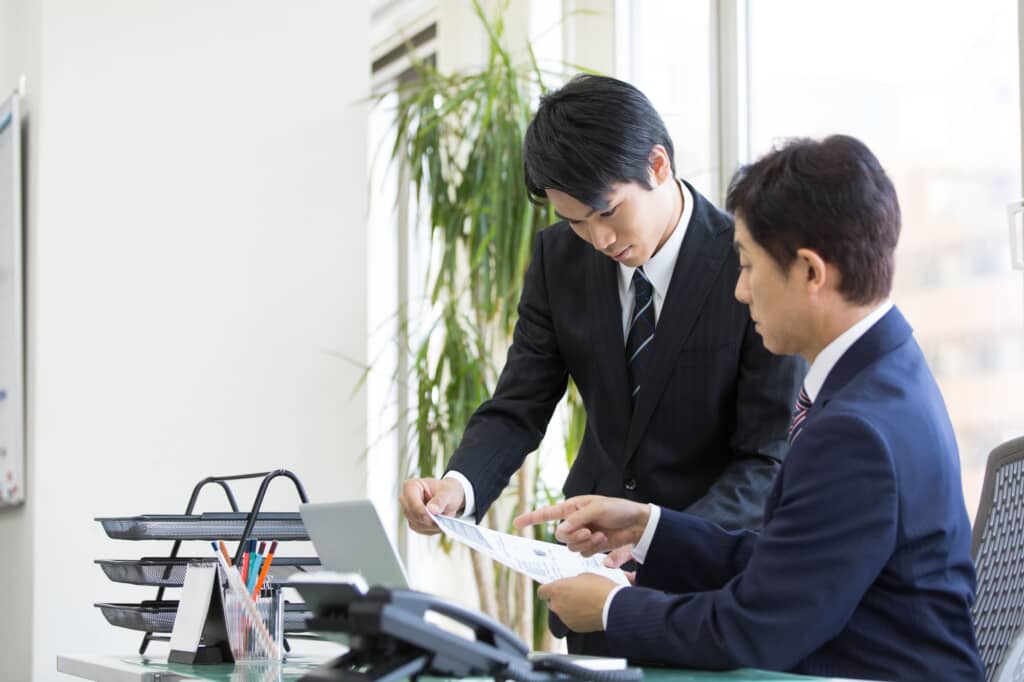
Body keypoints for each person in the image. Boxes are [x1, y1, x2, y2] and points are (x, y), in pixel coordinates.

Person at [516, 135, 985, 681]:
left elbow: (754, 629)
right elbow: (788, 568)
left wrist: (610, 609)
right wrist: (647, 526)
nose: (740, 291)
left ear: (810, 273)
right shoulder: (886, 372)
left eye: (746, 265)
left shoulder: (855, 431)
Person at [399, 74, 805, 653]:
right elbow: (519, 405)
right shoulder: (557, 259)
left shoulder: (746, 265)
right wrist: (456, 489)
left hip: (706, 595)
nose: (598, 238)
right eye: (575, 222)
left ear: (658, 164)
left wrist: (656, 540)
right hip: (588, 587)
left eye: (607, 212)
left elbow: (765, 459)